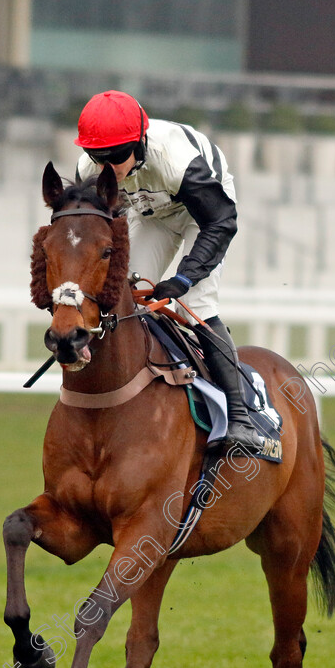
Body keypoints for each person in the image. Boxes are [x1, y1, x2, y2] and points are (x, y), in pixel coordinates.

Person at [74, 89, 267, 451]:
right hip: (152, 214)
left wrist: (183, 278)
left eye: (115, 157)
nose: (105, 168)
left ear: (139, 143)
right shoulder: (90, 171)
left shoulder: (177, 162)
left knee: (195, 304)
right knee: (119, 295)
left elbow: (221, 224)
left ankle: (240, 419)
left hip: (204, 212)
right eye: (95, 156)